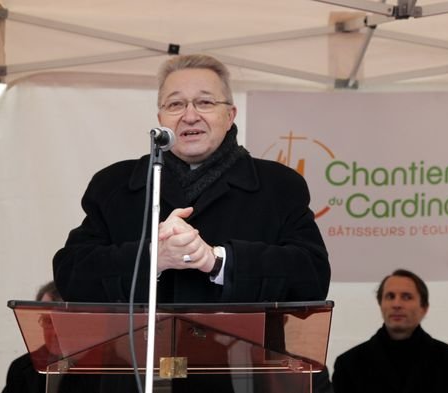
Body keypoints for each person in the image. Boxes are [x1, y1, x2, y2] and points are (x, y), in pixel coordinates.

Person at [51, 53, 331, 392]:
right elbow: (71, 273)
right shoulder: (115, 185)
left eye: (205, 102)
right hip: (135, 378)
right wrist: (154, 257)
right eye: (175, 104)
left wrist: (217, 261)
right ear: (160, 119)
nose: (189, 115)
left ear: (230, 115)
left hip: (240, 380)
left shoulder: (278, 186)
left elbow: (311, 277)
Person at [332, 269, 448, 393]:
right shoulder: (349, 364)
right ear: (380, 305)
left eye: (406, 297)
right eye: (390, 296)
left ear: (424, 307)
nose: (397, 304)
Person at [3, 281, 62, 393]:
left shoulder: (96, 368)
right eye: (48, 321)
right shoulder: (21, 368)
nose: (55, 332)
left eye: (62, 322)